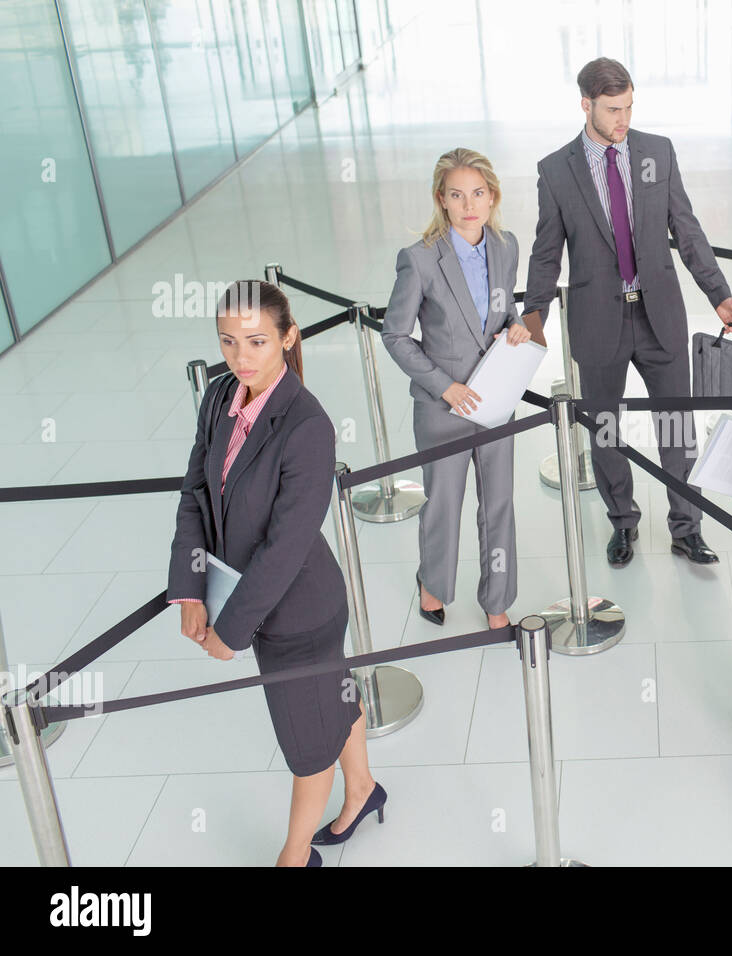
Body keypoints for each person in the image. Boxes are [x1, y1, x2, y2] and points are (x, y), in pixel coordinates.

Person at [168, 280, 384, 867]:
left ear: (288, 338)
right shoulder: (218, 397)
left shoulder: (307, 426)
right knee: (331, 699)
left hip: (299, 611)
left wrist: (230, 631)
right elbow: (194, 494)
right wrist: (188, 588)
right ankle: (363, 789)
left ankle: (294, 857)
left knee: (305, 743)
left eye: (258, 342)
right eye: (229, 342)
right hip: (260, 598)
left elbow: (285, 547)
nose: (242, 358)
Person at [521, 56, 732, 569]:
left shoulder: (657, 153)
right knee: (605, 430)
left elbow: (686, 230)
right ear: (586, 105)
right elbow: (545, 251)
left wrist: (718, 294)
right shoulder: (556, 171)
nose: (622, 118)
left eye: (628, 106)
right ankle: (622, 523)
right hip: (597, 320)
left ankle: (686, 528)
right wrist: (533, 313)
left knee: (677, 427)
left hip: (659, 315)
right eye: (611, 109)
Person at [382, 148, 530, 631]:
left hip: (495, 401)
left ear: (493, 197)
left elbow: (503, 310)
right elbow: (395, 335)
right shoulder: (421, 260)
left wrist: (516, 327)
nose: (469, 204)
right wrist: (445, 388)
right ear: (441, 200)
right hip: (443, 407)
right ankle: (433, 585)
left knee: (499, 503)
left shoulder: (506, 245)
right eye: (457, 195)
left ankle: (497, 599)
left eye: (478, 193)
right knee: (444, 502)